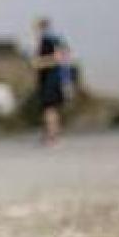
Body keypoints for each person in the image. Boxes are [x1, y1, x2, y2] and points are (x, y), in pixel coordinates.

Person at [31, 16, 72, 145]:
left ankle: (52, 135)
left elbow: (61, 56)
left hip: (51, 79)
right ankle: (51, 134)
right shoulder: (51, 39)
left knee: (50, 109)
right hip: (50, 79)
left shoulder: (49, 39)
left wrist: (39, 62)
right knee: (51, 109)